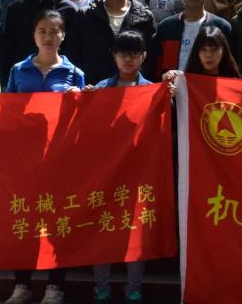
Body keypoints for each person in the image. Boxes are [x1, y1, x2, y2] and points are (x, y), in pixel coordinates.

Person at [4, 9, 84, 304]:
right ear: (33, 35)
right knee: (24, 219)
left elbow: (82, 121)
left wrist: (79, 100)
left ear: (63, 35)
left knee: (57, 221)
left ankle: (54, 286)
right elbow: (7, 112)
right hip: (24, 159)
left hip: (60, 159)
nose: (48, 37)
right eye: (42, 31)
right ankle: (22, 285)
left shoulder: (75, 73)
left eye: (54, 31)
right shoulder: (18, 70)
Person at [83, 31, 150, 303]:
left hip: (139, 172)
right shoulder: (101, 88)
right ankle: (102, 287)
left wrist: (169, 96)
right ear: (114, 56)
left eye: (134, 54)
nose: (128, 59)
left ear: (143, 56)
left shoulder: (151, 90)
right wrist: (86, 100)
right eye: (122, 53)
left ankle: (134, 288)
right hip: (106, 173)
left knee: (137, 231)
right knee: (104, 228)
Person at [68, 0, 156, 85]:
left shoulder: (144, 17)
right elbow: (73, 56)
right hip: (92, 89)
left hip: (132, 91)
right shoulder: (86, 15)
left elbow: (151, 60)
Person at [0, 0, 75, 84]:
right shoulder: (16, 8)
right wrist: (6, 83)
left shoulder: (68, 9)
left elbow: (73, 49)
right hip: (22, 80)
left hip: (59, 80)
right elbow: (8, 48)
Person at [153, 0, 233, 78]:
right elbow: (156, 65)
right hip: (173, 87)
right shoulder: (166, 27)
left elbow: (228, 66)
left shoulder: (222, 27)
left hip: (207, 87)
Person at [163, 26, 242, 80]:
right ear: (197, 51)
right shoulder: (183, 81)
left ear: (223, 51)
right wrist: (167, 89)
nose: (208, 55)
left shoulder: (235, 83)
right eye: (204, 49)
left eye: (214, 49)